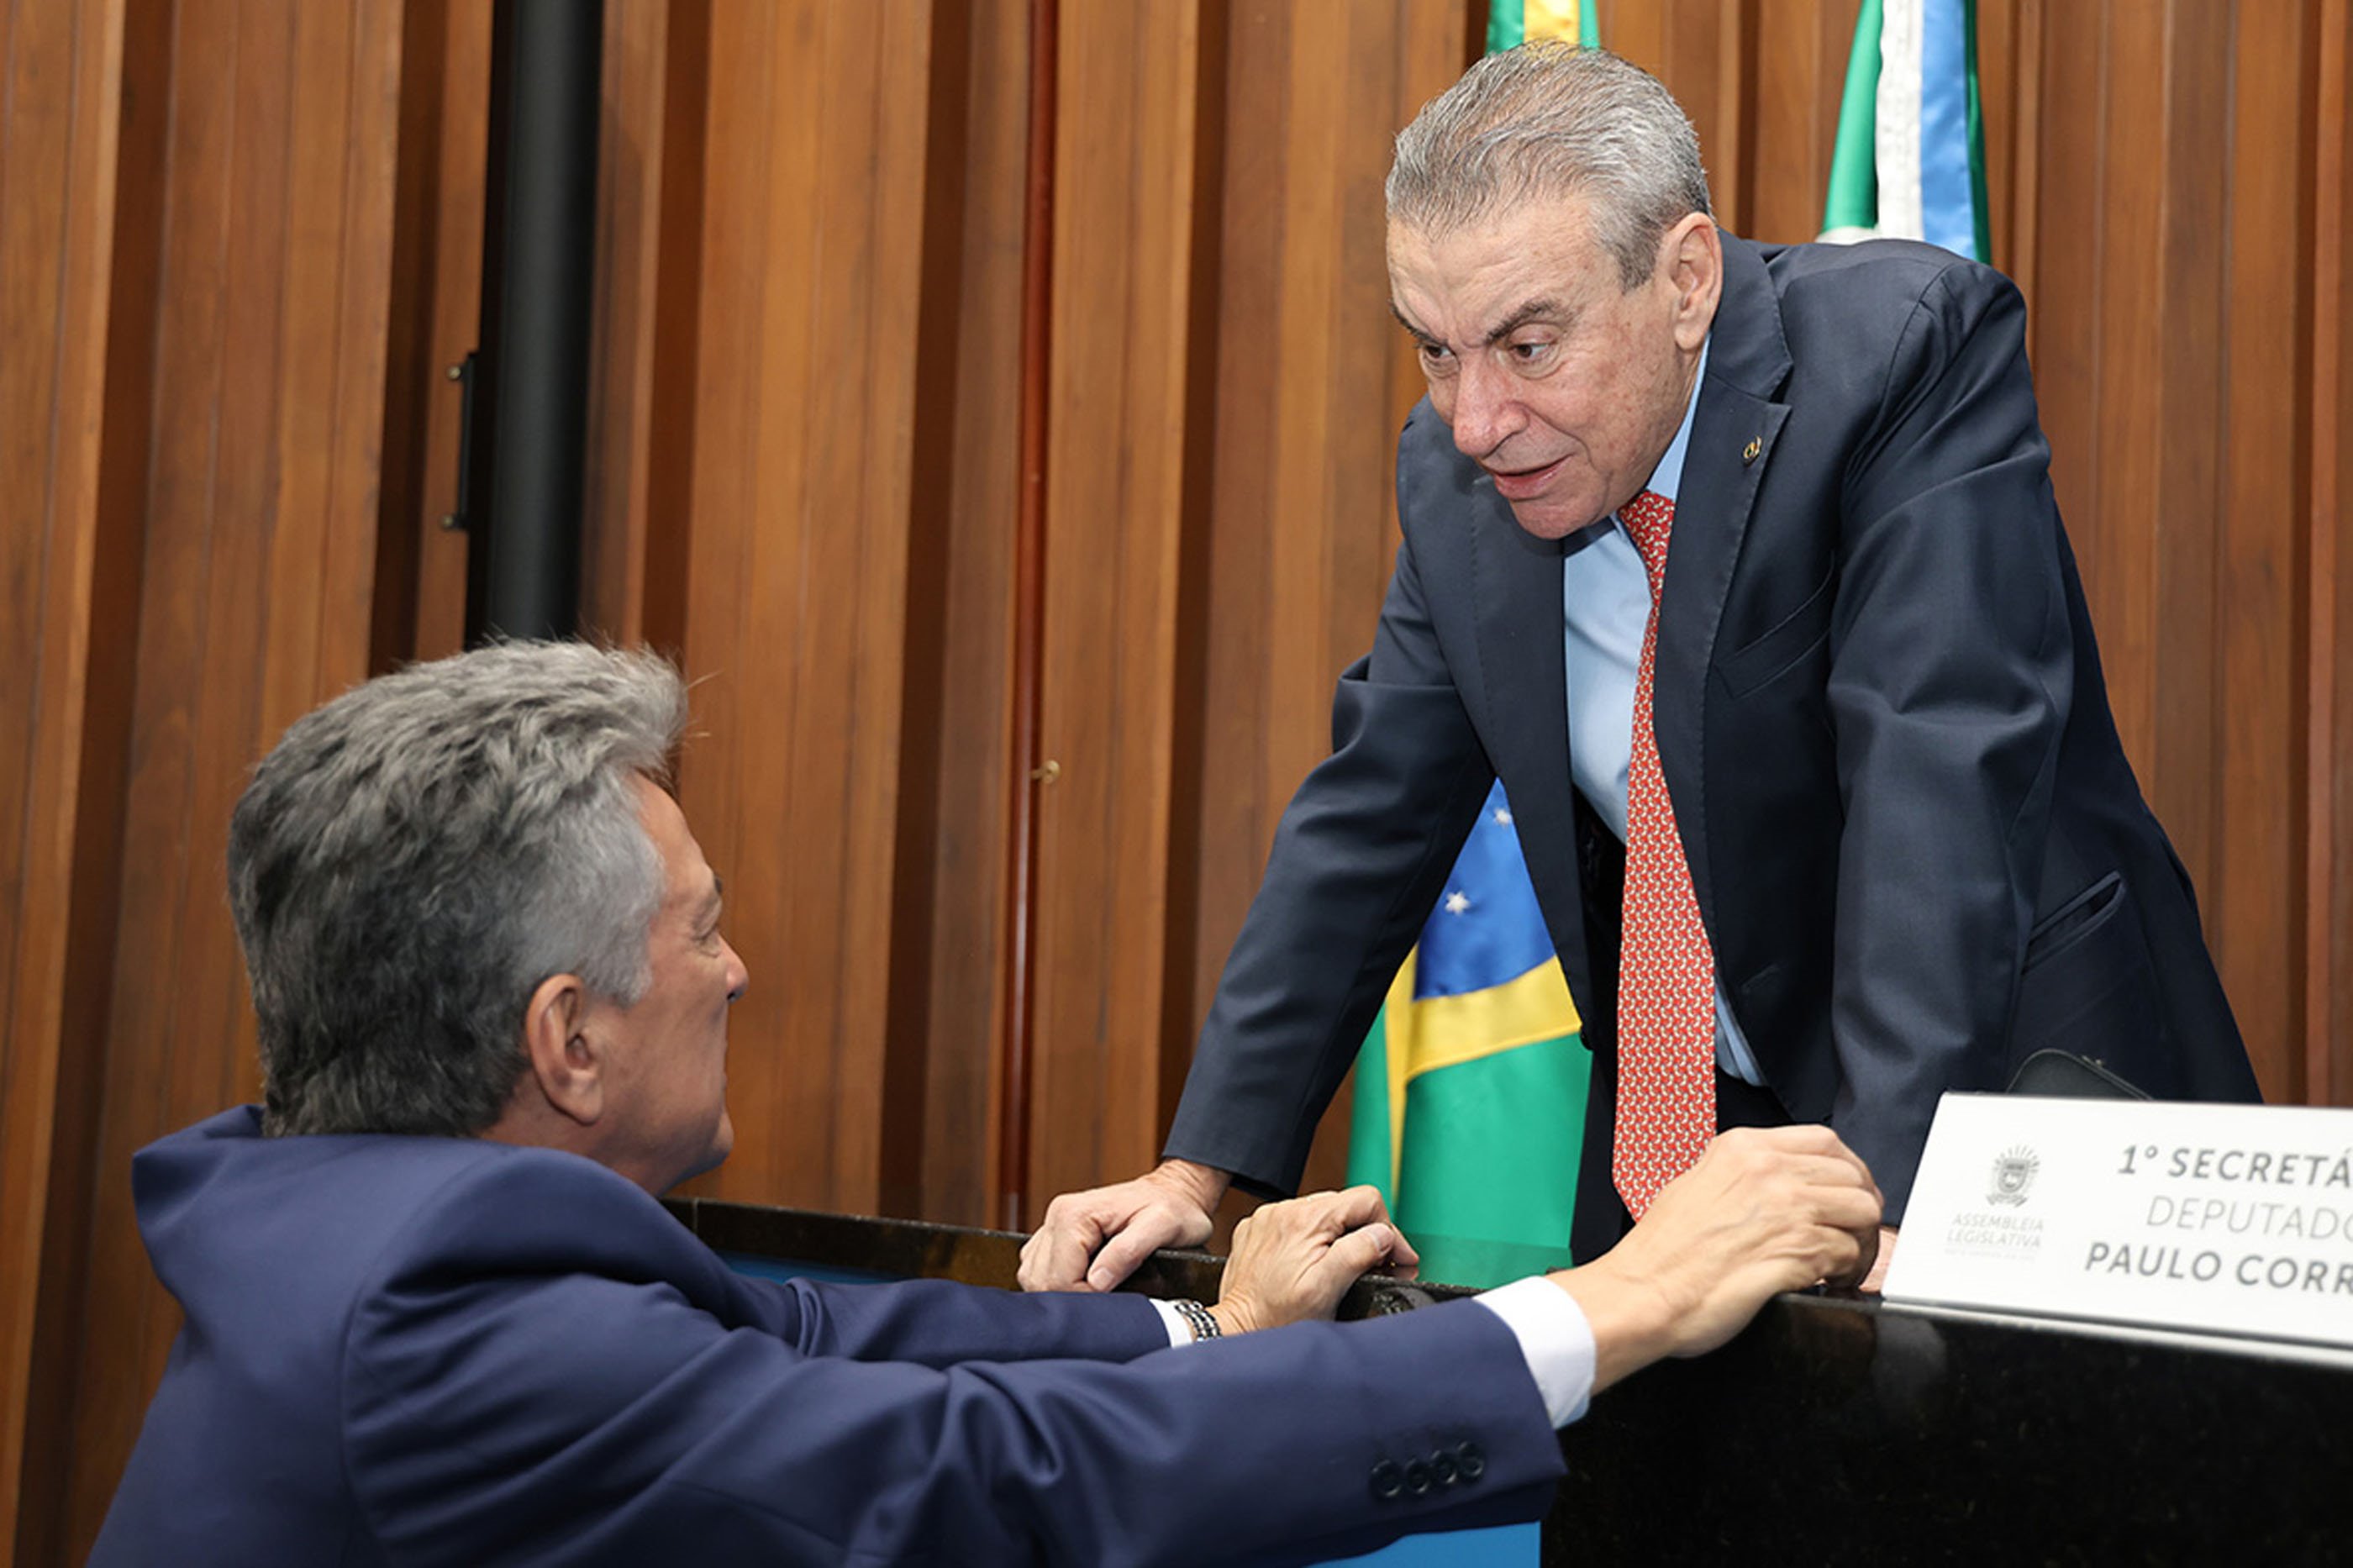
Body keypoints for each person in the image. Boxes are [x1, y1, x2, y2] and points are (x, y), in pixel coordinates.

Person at [92, 640, 1881, 1568]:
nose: (736, 971)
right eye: (699, 930)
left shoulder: (353, 1215)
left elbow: (825, 1343)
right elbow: (1005, 1481)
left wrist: (1218, 1332)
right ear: (566, 1040)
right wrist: (1611, 1304)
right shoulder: (450, 1327)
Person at [1022, 43, 2259, 1297]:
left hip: (2010, 1109)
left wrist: (1885, 1197)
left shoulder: (1902, 357)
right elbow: (1370, 817)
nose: (1475, 421)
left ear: (1685, 281)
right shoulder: (1459, 482)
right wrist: (1195, 1173)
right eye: (1436, 351)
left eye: (1527, 345)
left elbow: (1936, 783)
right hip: (1698, 1142)